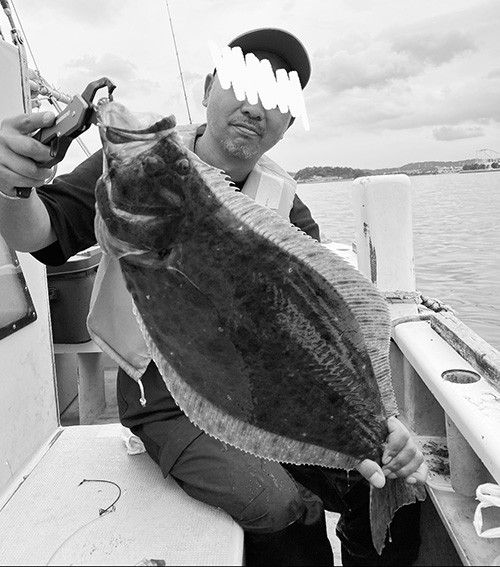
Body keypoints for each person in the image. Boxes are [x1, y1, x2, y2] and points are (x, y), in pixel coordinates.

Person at [0, 27, 427, 566]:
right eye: (241, 85)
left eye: (275, 99)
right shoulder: (142, 163)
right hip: (162, 396)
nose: (254, 107)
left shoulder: (288, 213)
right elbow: (39, 232)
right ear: (207, 89)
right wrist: (13, 183)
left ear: (288, 123)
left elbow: (324, 333)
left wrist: (385, 423)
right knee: (285, 510)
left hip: (259, 396)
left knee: (393, 488)